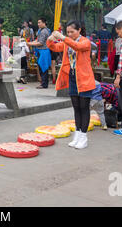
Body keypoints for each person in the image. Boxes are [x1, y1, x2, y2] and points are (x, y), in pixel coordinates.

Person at [47, 20, 96, 149]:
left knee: (84, 108)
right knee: (76, 107)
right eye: (67, 32)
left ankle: (83, 137)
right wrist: (51, 39)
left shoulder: (85, 42)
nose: (69, 34)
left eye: (72, 32)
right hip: (73, 77)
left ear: (79, 30)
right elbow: (54, 47)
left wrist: (63, 37)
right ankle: (78, 133)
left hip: (84, 78)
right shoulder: (67, 43)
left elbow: (77, 47)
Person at [27, 18, 51, 89]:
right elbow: (38, 40)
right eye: (38, 22)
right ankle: (43, 83)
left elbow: (40, 43)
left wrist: (30, 44)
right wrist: (31, 43)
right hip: (41, 51)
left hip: (44, 51)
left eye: (39, 22)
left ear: (44, 23)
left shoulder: (44, 31)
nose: (38, 24)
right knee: (41, 67)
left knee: (43, 68)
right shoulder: (41, 30)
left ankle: (44, 84)